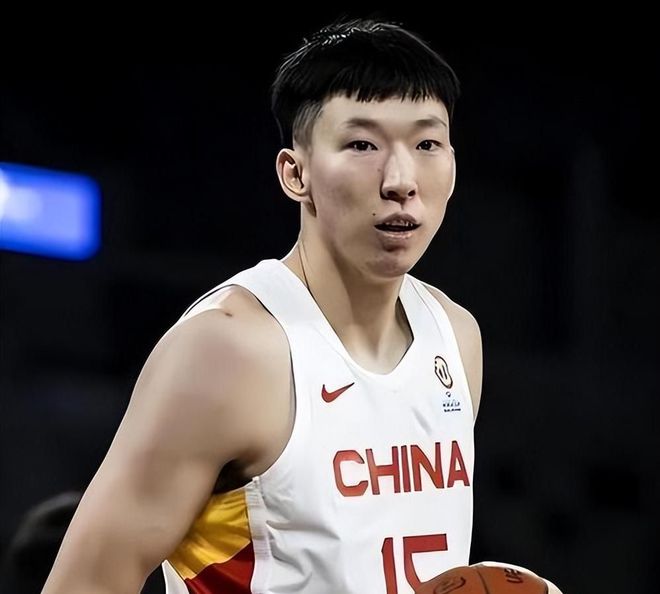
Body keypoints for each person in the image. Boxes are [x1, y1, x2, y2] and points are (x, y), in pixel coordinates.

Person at [43, 17, 562, 594]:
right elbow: (82, 584)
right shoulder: (227, 350)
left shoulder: (456, 338)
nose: (400, 179)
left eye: (426, 144)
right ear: (296, 173)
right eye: (362, 144)